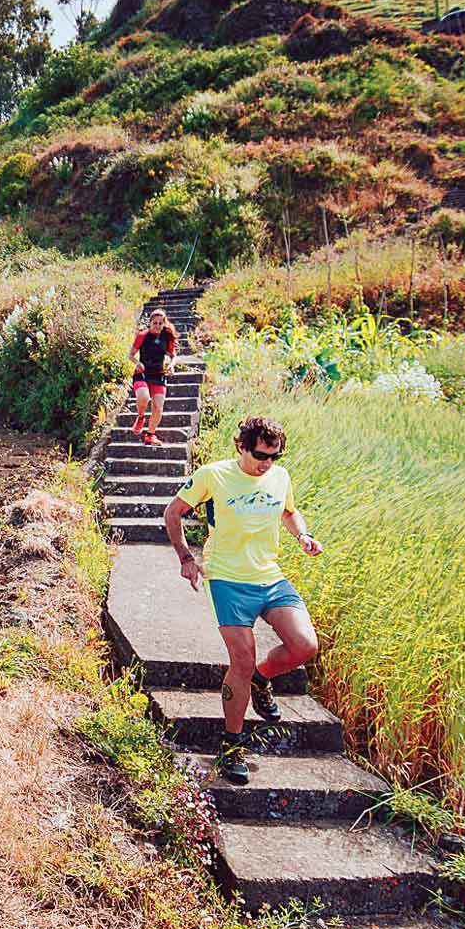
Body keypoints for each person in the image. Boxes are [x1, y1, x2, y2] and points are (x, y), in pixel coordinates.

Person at [162, 415, 324, 786]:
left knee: (304, 645)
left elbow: (288, 511)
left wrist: (303, 536)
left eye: (274, 456)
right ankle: (232, 745)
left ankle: (261, 679)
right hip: (227, 579)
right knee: (241, 659)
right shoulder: (213, 475)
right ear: (241, 446)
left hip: (269, 575)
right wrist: (187, 559)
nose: (266, 462)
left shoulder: (279, 478)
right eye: (259, 454)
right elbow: (173, 513)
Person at [127, 309, 178, 446]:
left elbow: (173, 356)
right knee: (144, 397)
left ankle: (150, 435)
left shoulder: (166, 338)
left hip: (159, 375)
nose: (157, 325)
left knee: (158, 406)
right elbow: (130, 355)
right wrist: (137, 363)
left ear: (163, 324)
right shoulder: (142, 335)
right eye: (154, 323)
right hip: (142, 374)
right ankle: (141, 417)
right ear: (150, 323)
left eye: (160, 323)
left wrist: (172, 365)